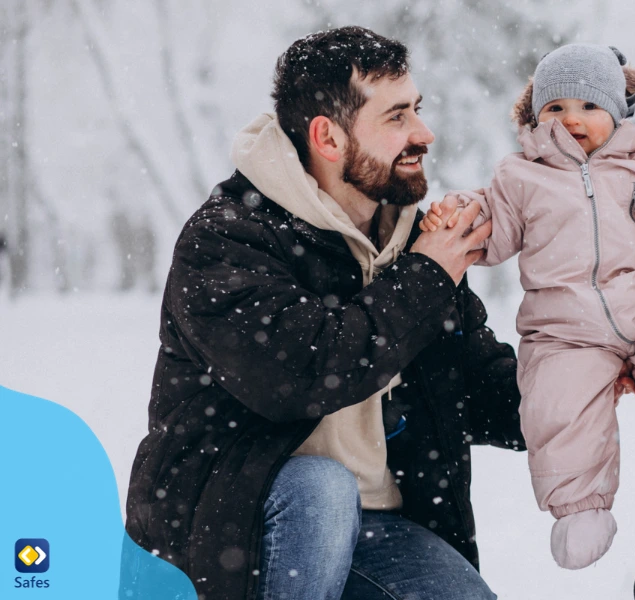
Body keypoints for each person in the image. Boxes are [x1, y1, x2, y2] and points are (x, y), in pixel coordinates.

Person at [123, 26, 523, 600]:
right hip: (229, 534)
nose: (423, 133)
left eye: (418, 109)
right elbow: (301, 374)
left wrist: (587, 372)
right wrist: (428, 274)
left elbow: (479, 389)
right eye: (396, 117)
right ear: (327, 138)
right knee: (321, 489)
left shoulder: (413, 244)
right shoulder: (230, 237)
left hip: (377, 529)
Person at [420, 44, 635, 570]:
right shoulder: (521, 175)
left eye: (588, 107)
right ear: (538, 117)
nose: (572, 120)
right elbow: (492, 229)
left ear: (618, 107)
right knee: (556, 406)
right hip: (564, 327)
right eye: (555, 109)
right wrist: (460, 212)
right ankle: (579, 507)